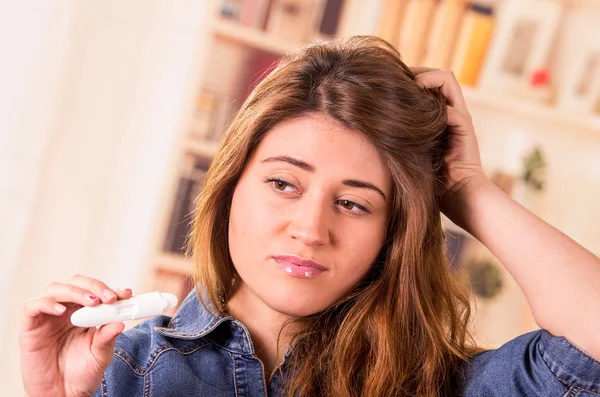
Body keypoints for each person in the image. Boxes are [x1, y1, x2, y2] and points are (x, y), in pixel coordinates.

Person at [19, 36, 600, 397]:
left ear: (391, 234)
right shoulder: (120, 368)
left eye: (354, 203)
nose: (310, 229)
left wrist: (469, 191)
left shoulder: (442, 385)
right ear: (230, 187)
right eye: (282, 183)